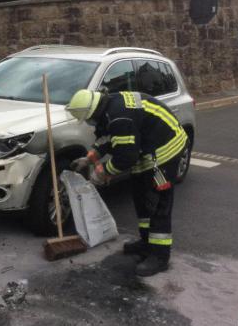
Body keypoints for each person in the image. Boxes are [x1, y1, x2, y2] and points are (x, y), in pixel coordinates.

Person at [66, 89, 188, 277]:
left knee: (157, 203)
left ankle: (160, 256)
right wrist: (90, 157)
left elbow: (126, 157)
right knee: (141, 195)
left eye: (88, 119)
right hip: (147, 149)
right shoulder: (109, 107)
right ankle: (147, 242)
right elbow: (109, 137)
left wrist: (103, 173)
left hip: (165, 151)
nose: (90, 123)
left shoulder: (119, 117)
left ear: (92, 112)